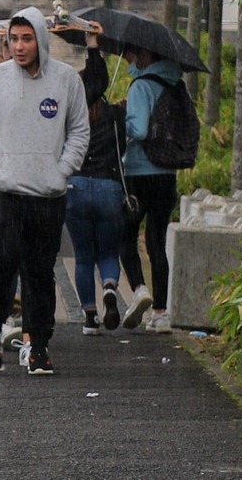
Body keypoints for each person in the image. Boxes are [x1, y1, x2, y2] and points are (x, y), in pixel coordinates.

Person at [0, 8, 89, 377]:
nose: (18, 47)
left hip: (47, 195)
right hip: (1, 192)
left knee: (39, 271)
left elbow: (79, 130)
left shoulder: (66, 81)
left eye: (26, 39)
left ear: (41, 40)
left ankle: (39, 346)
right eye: (12, 40)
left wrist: (61, 170)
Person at [118, 46, 189, 331]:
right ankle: (160, 313)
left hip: (139, 171)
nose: (129, 63)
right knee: (157, 240)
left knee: (126, 234)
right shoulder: (176, 85)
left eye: (131, 57)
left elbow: (140, 130)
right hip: (167, 172)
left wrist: (124, 114)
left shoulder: (141, 85)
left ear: (144, 57)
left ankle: (138, 288)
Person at [65, 35, 127, 335]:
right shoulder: (115, 115)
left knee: (83, 256)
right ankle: (111, 287)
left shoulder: (70, 117)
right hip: (109, 188)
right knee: (108, 252)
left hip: (75, 188)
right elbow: (122, 150)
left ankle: (90, 317)